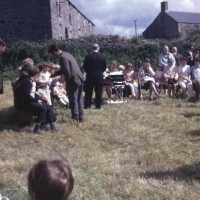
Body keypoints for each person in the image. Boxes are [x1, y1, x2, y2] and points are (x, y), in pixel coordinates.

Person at [14, 66, 57, 134]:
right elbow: (26, 96)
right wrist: (36, 100)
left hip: (30, 101)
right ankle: (37, 128)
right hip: (25, 103)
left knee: (47, 106)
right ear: (34, 76)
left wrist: (39, 98)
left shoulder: (31, 81)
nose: (39, 78)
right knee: (42, 108)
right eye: (38, 76)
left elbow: (33, 94)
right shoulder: (26, 82)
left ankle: (53, 126)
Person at [49, 45, 85, 122]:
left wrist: (66, 83)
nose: (54, 56)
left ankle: (75, 118)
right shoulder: (68, 54)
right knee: (79, 99)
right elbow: (65, 69)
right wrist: (55, 74)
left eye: (53, 54)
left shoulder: (63, 58)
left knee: (73, 99)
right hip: (79, 78)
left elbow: (67, 71)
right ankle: (81, 117)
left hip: (73, 80)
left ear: (55, 52)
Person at [83, 43, 107, 109]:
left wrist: (89, 71)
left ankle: (87, 105)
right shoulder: (102, 56)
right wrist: (100, 71)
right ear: (98, 48)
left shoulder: (88, 56)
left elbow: (84, 67)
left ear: (92, 48)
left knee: (88, 92)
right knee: (99, 92)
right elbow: (104, 67)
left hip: (90, 75)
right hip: (99, 76)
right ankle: (98, 106)